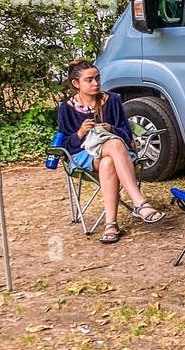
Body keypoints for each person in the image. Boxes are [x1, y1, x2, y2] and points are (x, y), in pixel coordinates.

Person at [57, 60, 164, 244]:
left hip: (119, 155)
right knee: (113, 146)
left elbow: (127, 135)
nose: (96, 83)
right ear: (76, 84)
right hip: (85, 157)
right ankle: (139, 203)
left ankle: (111, 225)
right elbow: (67, 145)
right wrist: (80, 133)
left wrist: (110, 128)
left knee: (110, 158)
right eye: (89, 80)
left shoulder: (112, 100)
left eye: (97, 78)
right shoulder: (66, 109)